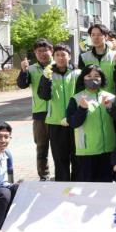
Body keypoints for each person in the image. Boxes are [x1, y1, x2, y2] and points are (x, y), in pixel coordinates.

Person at [66, 65, 116, 182]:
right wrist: (82, 109)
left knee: (106, 185)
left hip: (108, 149)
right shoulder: (76, 99)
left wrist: (110, 108)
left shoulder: (111, 97)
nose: (93, 79)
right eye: (89, 76)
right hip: (87, 151)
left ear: (102, 78)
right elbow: (73, 123)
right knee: (88, 186)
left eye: (96, 76)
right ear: (83, 78)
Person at [37, 43, 80, 181]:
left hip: (75, 121)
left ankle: (77, 184)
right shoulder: (48, 73)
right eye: (57, 55)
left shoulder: (77, 73)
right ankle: (62, 186)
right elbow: (44, 96)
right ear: (54, 57)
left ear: (69, 56)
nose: (61, 58)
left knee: (77, 157)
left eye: (63, 55)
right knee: (60, 158)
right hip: (55, 122)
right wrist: (46, 79)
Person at [17, 38, 53, 181]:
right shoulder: (31, 69)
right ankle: (44, 176)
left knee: (61, 148)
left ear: (51, 51)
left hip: (58, 113)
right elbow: (22, 84)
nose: (42, 53)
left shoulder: (58, 65)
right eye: (39, 51)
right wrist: (23, 70)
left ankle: (63, 176)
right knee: (41, 147)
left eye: (45, 50)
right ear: (35, 53)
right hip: (40, 114)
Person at [78, 24, 116, 94]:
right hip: (89, 98)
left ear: (106, 37)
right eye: (93, 35)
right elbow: (81, 81)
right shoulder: (83, 57)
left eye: (99, 35)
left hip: (109, 97)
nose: (96, 38)